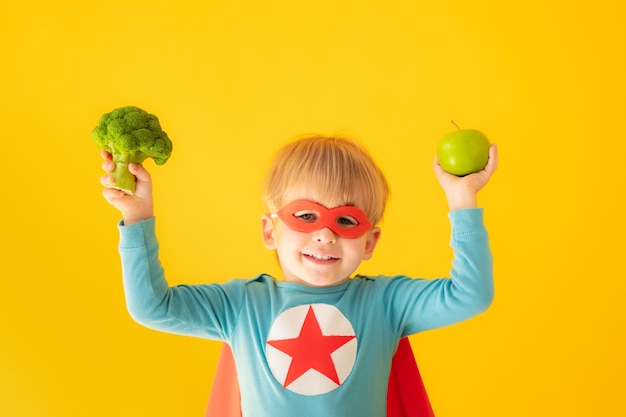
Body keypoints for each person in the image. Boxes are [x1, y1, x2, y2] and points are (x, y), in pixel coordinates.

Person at [100, 135, 498, 417]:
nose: (325, 234)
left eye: (346, 220)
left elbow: (470, 294)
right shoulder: (241, 305)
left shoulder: (386, 303)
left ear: (370, 241)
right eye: (306, 216)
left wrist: (462, 200)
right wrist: (136, 218)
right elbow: (152, 307)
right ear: (270, 231)